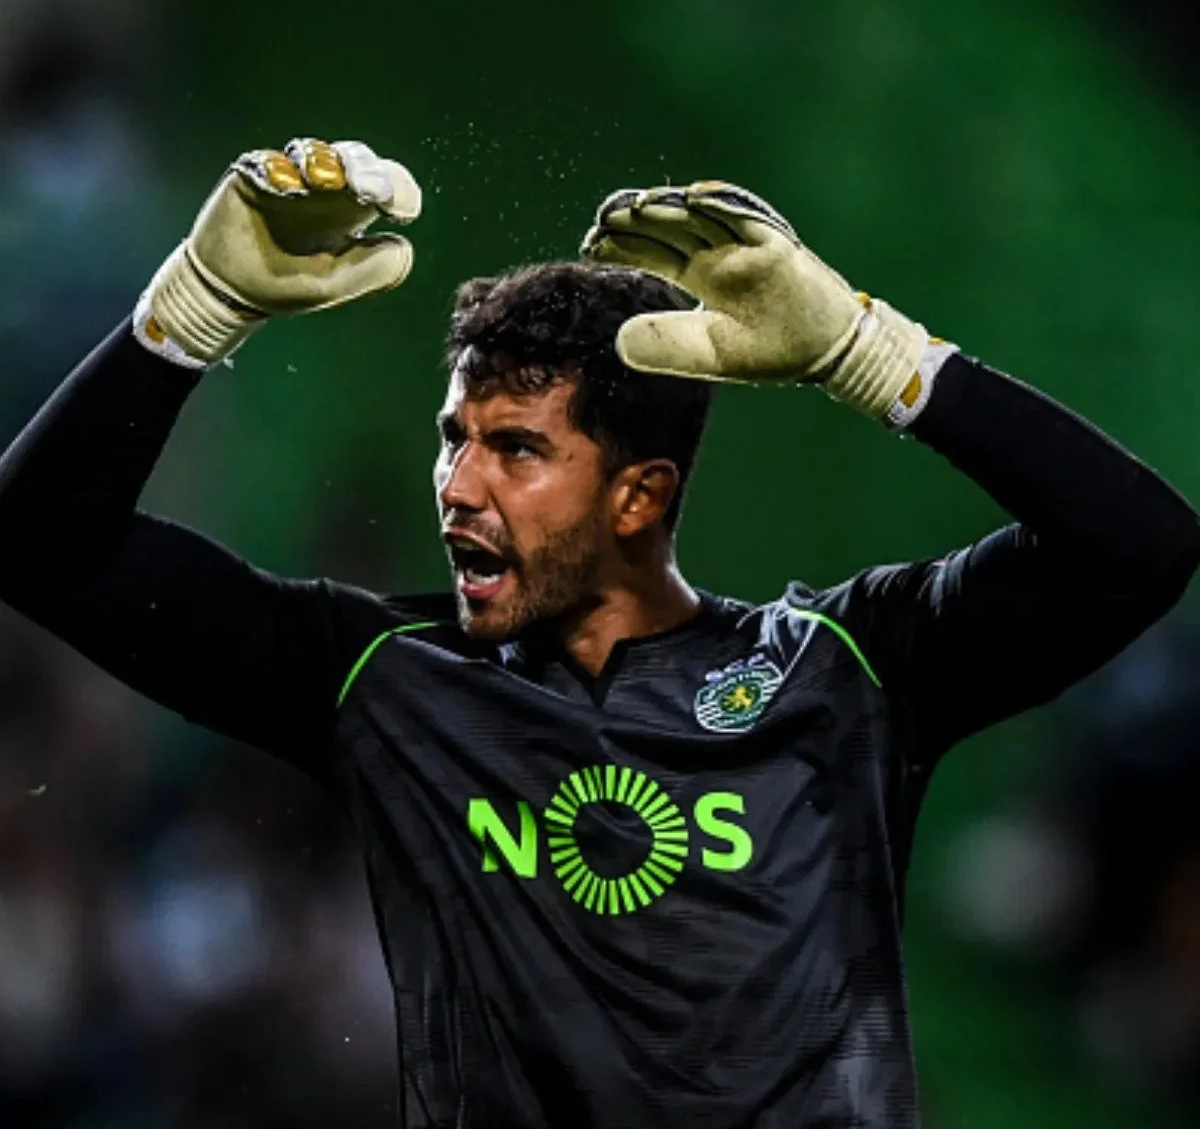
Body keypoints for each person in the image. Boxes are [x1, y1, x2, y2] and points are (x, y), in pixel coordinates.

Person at [0, 137, 1196, 1129]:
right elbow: (42, 544)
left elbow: (1137, 548)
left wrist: (871, 356)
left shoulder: (843, 670)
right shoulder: (382, 676)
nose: (458, 485)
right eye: (454, 438)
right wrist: (187, 316)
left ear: (638, 495)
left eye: (516, 449)